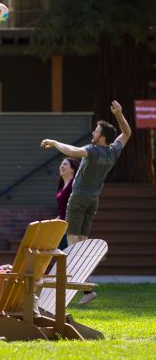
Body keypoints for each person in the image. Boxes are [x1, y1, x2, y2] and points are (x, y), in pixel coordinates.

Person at [41, 100, 131, 305]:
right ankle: (88, 276)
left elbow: (72, 152)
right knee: (80, 241)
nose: (93, 134)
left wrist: (54, 143)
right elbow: (126, 133)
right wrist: (119, 114)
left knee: (73, 247)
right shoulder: (113, 151)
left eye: (96, 132)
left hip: (79, 199)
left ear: (102, 137)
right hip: (93, 200)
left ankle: (85, 288)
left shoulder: (93, 150)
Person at [56, 157, 80, 250]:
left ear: (72, 169)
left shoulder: (74, 184)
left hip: (71, 226)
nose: (62, 166)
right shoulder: (61, 185)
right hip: (61, 227)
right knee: (63, 254)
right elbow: (62, 207)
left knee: (70, 254)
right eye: (61, 164)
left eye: (65, 164)